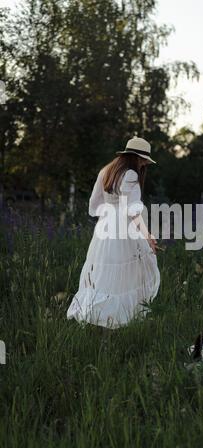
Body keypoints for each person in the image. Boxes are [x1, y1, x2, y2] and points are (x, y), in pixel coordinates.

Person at [67, 136, 160, 329]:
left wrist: (109, 216)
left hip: (105, 227)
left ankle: (95, 313)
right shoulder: (131, 175)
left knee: (103, 270)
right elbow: (133, 210)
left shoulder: (106, 171)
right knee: (130, 270)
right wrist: (147, 235)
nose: (144, 164)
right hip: (123, 228)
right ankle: (117, 317)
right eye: (143, 160)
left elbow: (94, 204)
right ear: (136, 158)